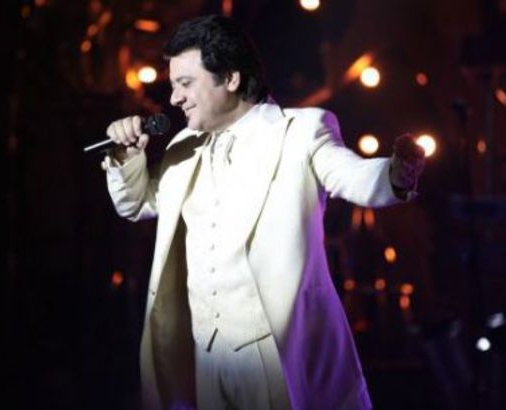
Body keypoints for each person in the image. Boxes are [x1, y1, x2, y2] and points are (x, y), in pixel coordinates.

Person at [101, 14, 424, 410]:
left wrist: (393, 175)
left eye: (185, 83)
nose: (174, 99)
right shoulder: (181, 147)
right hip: (205, 357)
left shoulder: (301, 131)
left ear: (230, 78)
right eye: (173, 86)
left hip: (275, 351)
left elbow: (349, 175)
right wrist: (126, 157)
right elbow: (137, 204)